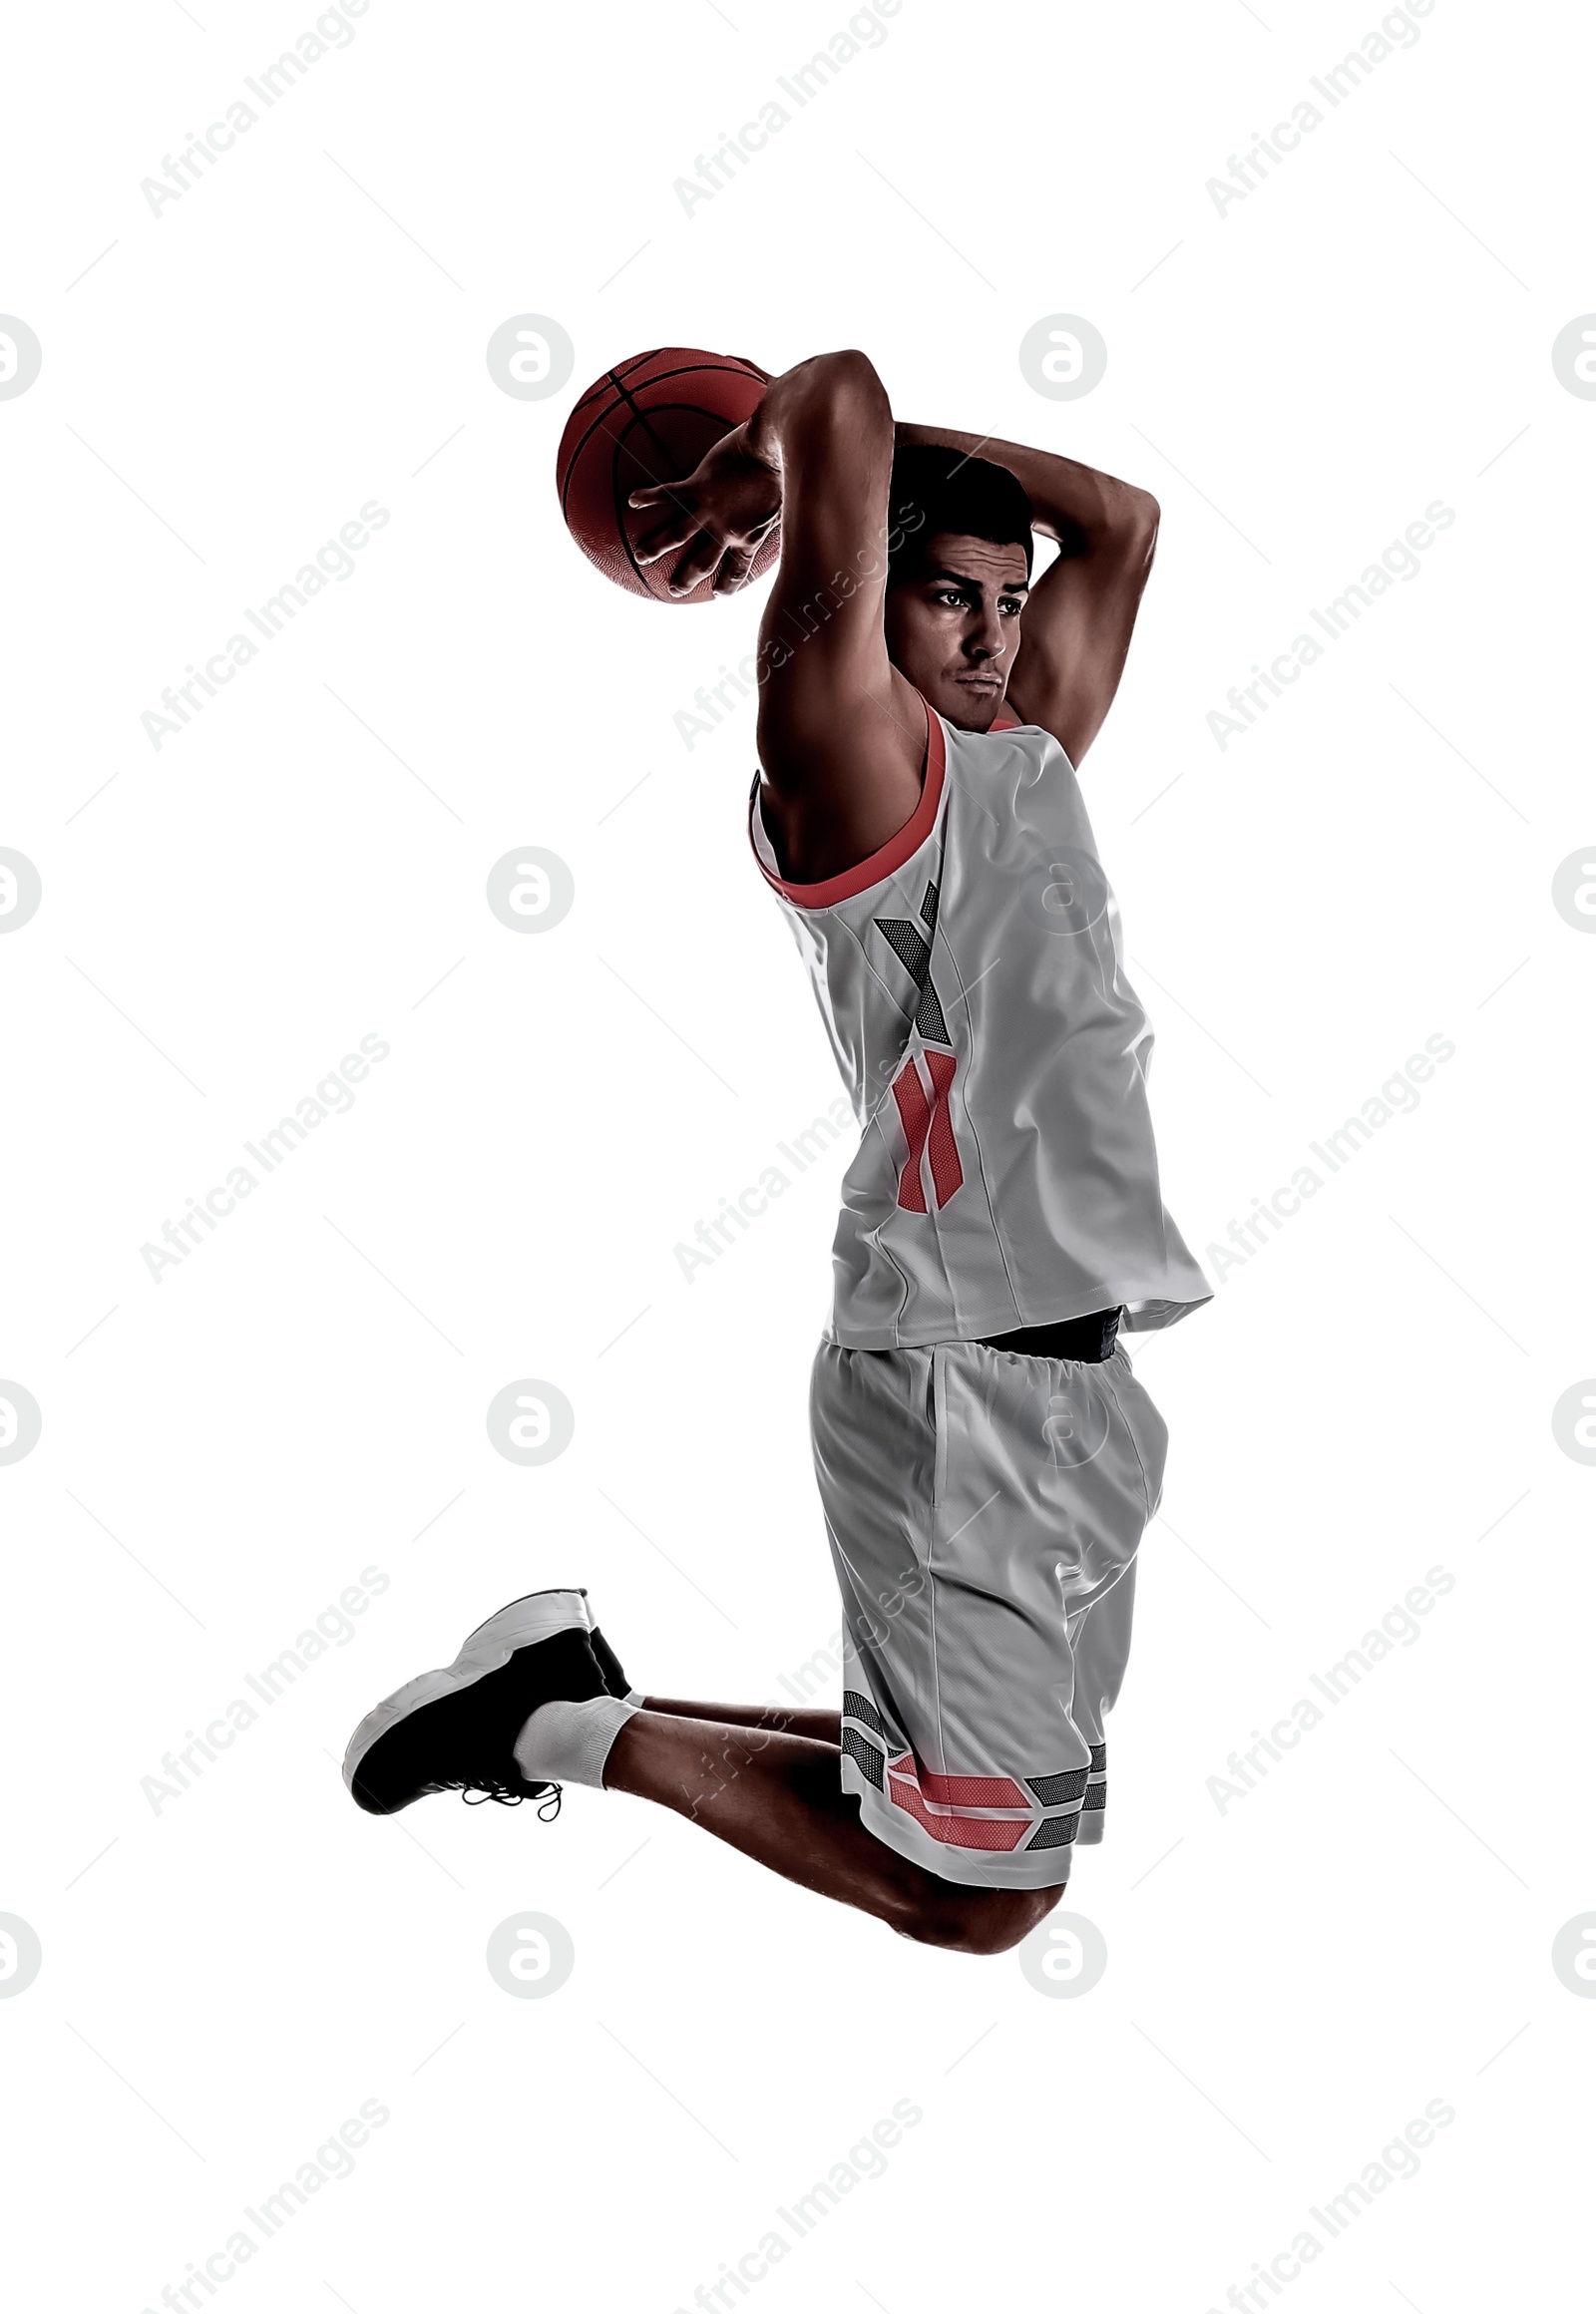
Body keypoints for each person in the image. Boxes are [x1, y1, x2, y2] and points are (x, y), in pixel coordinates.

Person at [342, 350, 1211, 1957]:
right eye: (946, 594)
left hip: (1074, 1384)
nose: (990, 633)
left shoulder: (1017, 757)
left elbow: (1121, 519)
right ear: (865, 602)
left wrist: (862, 481)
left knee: (962, 1805)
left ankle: (552, 1693)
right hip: (963, 1377)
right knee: (985, 1895)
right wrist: (772, 469)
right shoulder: (848, 766)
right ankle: (555, 1735)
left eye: (1006, 602)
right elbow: (843, 393)